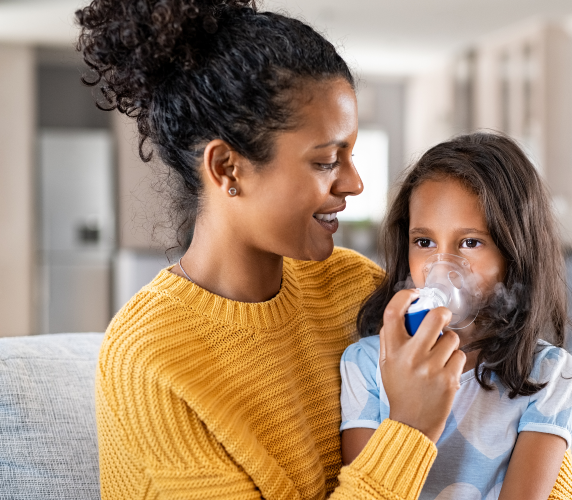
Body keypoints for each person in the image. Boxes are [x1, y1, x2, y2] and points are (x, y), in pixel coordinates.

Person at [77, 1, 465, 498]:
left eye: (351, 153)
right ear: (227, 169)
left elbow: (508, 418)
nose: (355, 182)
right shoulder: (149, 362)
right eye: (327, 159)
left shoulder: (355, 287)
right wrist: (408, 432)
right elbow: (418, 434)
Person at [341, 133, 572, 500]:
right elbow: (368, 490)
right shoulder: (367, 364)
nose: (442, 266)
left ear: (514, 251)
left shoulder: (548, 375)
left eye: (470, 242)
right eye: (424, 242)